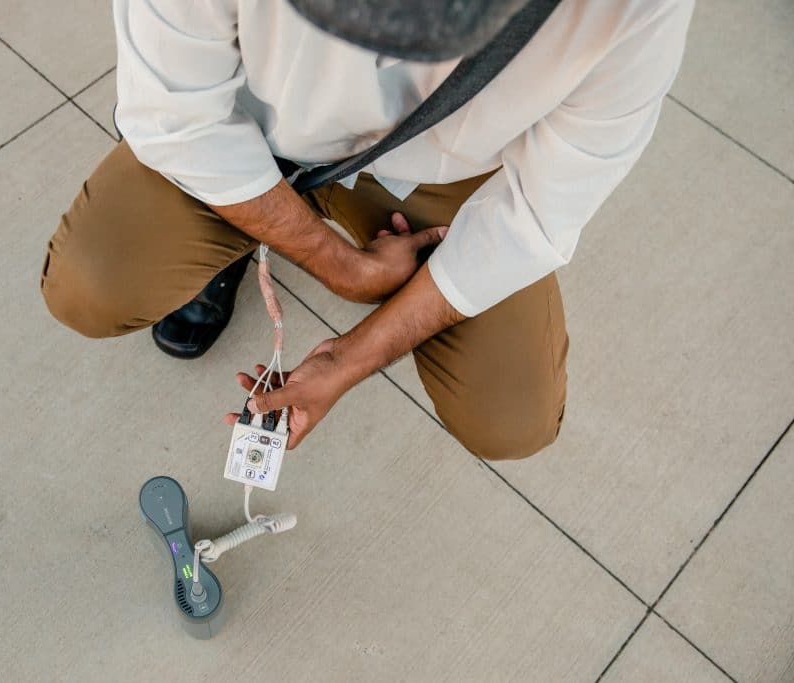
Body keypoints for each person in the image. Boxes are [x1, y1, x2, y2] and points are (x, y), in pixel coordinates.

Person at [40, 0, 693, 460]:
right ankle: (241, 228)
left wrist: (350, 358)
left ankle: (256, 219)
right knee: (89, 283)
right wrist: (343, 267)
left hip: (437, 173)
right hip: (253, 134)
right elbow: (174, 115)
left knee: (512, 416)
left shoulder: (635, 9)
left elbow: (538, 215)